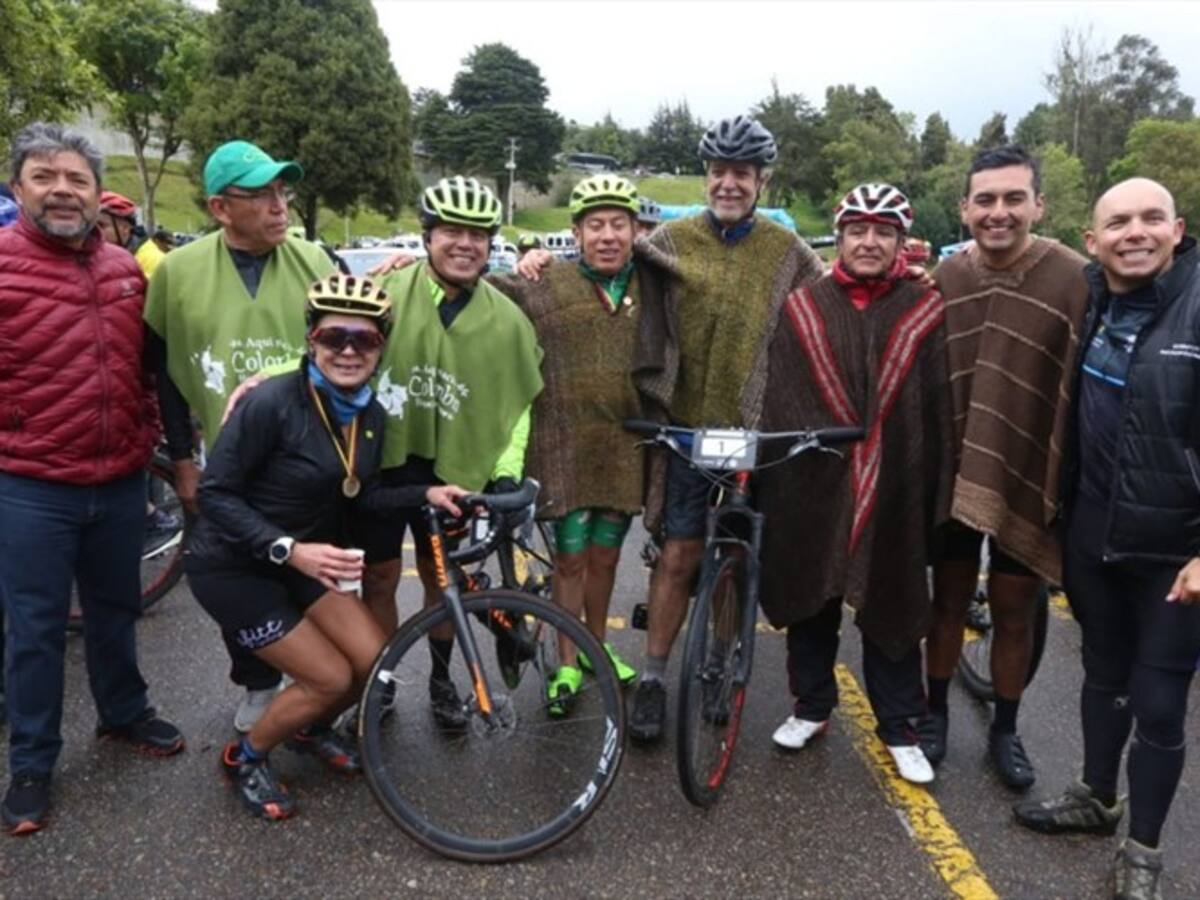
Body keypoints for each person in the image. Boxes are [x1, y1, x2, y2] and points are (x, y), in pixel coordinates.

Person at [189, 274, 467, 819]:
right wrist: (287, 549)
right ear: (311, 340)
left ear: (381, 348)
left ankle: (309, 730)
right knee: (330, 677)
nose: (348, 350)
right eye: (333, 337)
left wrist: (426, 493)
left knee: (375, 661)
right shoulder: (271, 402)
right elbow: (214, 493)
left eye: (364, 340)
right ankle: (244, 758)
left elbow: (364, 495)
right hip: (233, 566)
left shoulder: (369, 415)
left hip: (300, 559)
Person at [1014, 178, 1200, 899]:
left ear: (1177, 230)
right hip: (1093, 530)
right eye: (1119, 222)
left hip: (1174, 551)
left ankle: (1143, 850)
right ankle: (1096, 796)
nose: (1136, 232)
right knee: (1103, 673)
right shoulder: (1089, 300)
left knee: (1159, 702)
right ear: (1093, 241)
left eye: (1152, 218)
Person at [0, 122, 184, 835]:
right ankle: (32, 763)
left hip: (120, 476)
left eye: (76, 178)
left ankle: (124, 712)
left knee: (116, 608)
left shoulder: (124, 271)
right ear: (18, 188)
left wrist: (152, 435)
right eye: (44, 177)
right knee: (36, 630)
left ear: (98, 193)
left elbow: (145, 370)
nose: (62, 191)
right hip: (31, 484)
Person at [627, 115, 825, 742]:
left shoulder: (787, 252)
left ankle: (718, 661)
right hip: (687, 427)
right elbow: (606, 270)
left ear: (762, 180)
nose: (728, 184)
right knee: (679, 554)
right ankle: (654, 679)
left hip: (754, 433)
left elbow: (832, 304)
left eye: (741, 173)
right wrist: (531, 263)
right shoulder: (672, 239)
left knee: (736, 553)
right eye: (718, 172)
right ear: (706, 177)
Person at [757, 184, 953, 784]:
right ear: (839, 238)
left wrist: (929, 482)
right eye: (858, 231)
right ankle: (811, 706)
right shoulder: (803, 307)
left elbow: (935, 405)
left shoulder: (924, 308)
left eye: (883, 232)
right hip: (813, 479)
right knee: (811, 593)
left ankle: (899, 727)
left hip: (896, 478)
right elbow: (781, 395)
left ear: (900, 242)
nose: (870, 242)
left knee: (893, 593)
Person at [143, 139, 335, 734]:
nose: (280, 206)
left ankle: (312, 680)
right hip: (228, 458)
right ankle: (256, 681)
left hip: (308, 457)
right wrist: (182, 458)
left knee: (305, 566)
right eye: (260, 195)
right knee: (239, 569)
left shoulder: (315, 260)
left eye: (282, 191)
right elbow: (164, 370)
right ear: (220, 208)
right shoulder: (177, 272)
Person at [922, 145, 1090, 789]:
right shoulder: (945, 278)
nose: (999, 212)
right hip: (956, 466)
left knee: (1015, 608)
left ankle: (1007, 729)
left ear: (1038, 205)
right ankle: (934, 714)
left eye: (1014, 198)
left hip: (1029, 471)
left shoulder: (1075, 279)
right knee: (948, 600)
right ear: (964, 208)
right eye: (986, 200)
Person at [366, 176, 543, 727]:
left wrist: (507, 471)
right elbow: (325, 348)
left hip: (452, 469)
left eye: (478, 235)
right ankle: (380, 681)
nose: (465, 244)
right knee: (380, 576)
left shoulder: (508, 320)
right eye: (451, 232)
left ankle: (441, 681)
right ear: (427, 237)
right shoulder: (385, 293)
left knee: (440, 580)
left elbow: (517, 403)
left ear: (491, 245)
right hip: (383, 464)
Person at [487, 174, 655, 713]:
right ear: (576, 232)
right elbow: (479, 292)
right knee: (570, 560)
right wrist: (412, 268)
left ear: (635, 230)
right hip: (562, 449)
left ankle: (594, 647)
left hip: (623, 448)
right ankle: (564, 663)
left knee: (606, 557)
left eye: (618, 224)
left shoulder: (652, 285)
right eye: (595, 225)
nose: (608, 236)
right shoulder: (544, 281)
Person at [97, 190, 166, 278]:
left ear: (125, 228)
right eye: (91, 226)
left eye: (102, 225)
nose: (95, 231)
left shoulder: (154, 262)